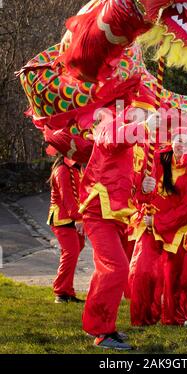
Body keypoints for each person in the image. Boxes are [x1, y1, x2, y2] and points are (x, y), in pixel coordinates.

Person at [78, 92, 160, 350]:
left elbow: (137, 188)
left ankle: (102, 325)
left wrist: (147, 187)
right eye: (141, 112)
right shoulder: (110, 126)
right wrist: (143, 126)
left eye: (148, 114)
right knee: (116, 269)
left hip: (119, 215)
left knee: (109, 270)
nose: (145, 117)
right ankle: (102, 333)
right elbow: (111, 140)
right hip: (98, 210)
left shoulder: (142, 146)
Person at [129, 127, 187, 326]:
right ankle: (143, 317)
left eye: (186, 142)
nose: (181, 145)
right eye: (178, 140)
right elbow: (137, 193)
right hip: (148, 224)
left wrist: (160, 222)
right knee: (143, 271)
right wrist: (143, 190)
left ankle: (175, 317)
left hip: (176, 230)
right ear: (172, 140)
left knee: (177, 278)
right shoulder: (157, 159)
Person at [47, 154, 85, 304]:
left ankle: (67, 291)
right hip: (62, 218)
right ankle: (61, 292)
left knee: (74, 250)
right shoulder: (62, 170)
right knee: (71, 252)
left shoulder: (77, 168)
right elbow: (67, 197)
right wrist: (77, 217)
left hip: (75, 217)